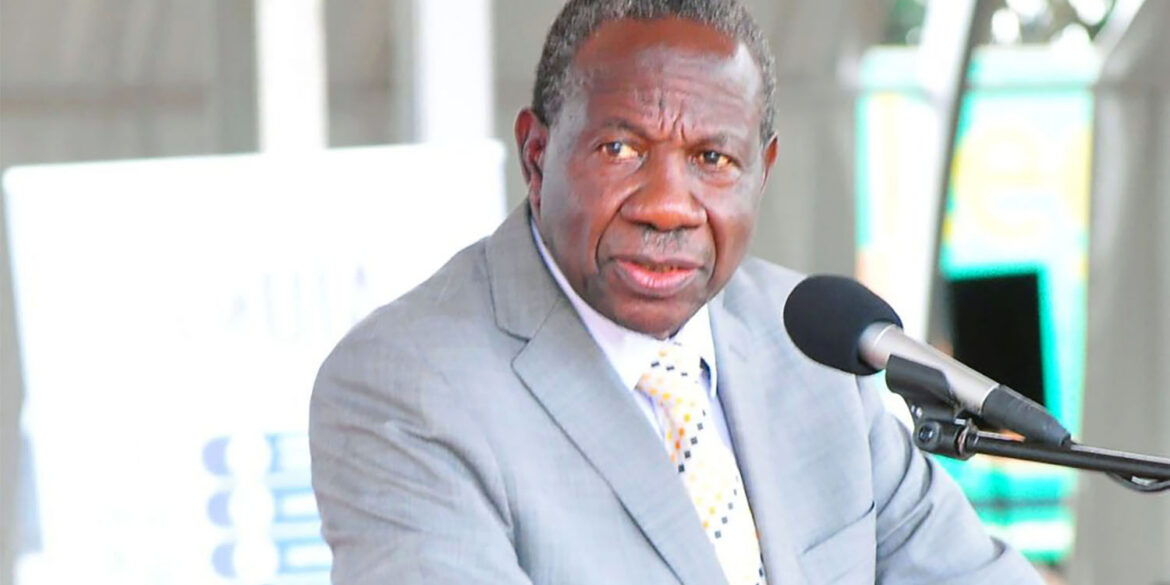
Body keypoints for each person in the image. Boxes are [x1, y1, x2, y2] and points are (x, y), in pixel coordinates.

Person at [309, 1, 1043, 583]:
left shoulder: (815, 344)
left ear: (763, 171)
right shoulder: (407, 387)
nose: (667, 206)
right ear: (537, 155)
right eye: (620, 149)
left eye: (713, 159)